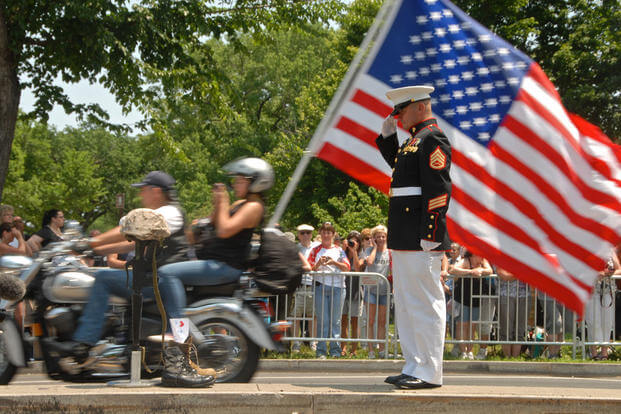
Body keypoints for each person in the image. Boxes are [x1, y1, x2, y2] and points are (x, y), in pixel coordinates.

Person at [57, 170, 213, 387]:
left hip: (160, 283)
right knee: (103, 276)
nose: (141, 195)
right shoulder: (157, 217)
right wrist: (95, 250)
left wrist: (91, 243)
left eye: (144, 190)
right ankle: (97, 341)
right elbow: (131, 243)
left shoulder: (170, 213)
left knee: (175, 320)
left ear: (156, 191)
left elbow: (129, 227)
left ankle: (85, 342)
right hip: (151, 278)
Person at [376, 85, 451, 389]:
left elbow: (438, 190)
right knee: (406, 305)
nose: (399, 117)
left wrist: (431, 233)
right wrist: (387, 139)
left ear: (420, 107)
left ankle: (429, 371)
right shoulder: (412, 142)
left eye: (402, 111)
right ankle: (414, 365)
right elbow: (400, 169)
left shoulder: (432, 138)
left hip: (422, 237)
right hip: (405, 236)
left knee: (424, 304)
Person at [307, 222, 350, 359]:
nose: (326, 235)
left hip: (338, 287)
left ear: (333, 234)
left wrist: (333, 262)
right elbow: (309, 269)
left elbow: (347, 267)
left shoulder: (339, 250)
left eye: (329, 232)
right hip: (321, 287)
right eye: (324, 232)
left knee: (335, 321)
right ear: (320, 234)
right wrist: (319, 263)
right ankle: (321, 350)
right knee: (322, 320)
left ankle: (335, 351)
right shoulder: (315, 249)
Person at [449, 250, 493, 359]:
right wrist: (470, 272)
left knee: (472, 326)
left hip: (476, 298)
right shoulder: (465, 261)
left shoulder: (483, 261)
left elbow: (490, 270)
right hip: (462, 297)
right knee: (462, 325)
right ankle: (463, 351)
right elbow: (452, 269)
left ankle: (470, 351)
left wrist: (480, 270)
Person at [584, 253, 619, 360]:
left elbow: (619, 269)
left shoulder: (611, 251)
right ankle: (593, 353)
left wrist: (608, 273)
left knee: (607, 323)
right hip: (592, 291)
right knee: (593, 321)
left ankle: (604, 354)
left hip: (608, 292)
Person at [364, 225, 391, 359]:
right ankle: (370, 350)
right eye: (378, 236)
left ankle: (381, 349)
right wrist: (375, 247)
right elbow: (369, 262)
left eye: (383, 236)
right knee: (370, 321)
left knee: (382, 322)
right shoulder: (369, 249)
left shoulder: (390, 251)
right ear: (374, 238)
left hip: (384, 291)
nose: (381, 238)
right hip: (371, 290)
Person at [291, 224, 319, 353]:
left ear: (312, 234)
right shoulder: (294, 248)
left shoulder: (317, 247)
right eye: (303, 233)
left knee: (312, 316)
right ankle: (296, 343)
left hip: (313, 285)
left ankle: (313, 342)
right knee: (296, 316)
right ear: (298, 235)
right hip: (299, 286)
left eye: (308, 233)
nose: (306, 235)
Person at [340, 230, 364, 356]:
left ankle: (353, 349)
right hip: (343, 290)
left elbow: (357, 267)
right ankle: (343, 348)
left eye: (356, 241)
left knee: (354, 321)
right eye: (351, 240)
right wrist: (343, 249)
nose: (353, 243)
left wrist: (354, 251)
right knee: (343, 320)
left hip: (356, 292)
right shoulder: (342, 254)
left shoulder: (362, 255)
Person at [496, 267, 529, 357]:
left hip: (524, 296)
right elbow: (504, 276)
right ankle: (507, 357)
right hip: (505, 295)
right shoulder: (500, 259)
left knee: (520, 330)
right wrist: (521, 273)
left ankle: (515, 357)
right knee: (506, 329)